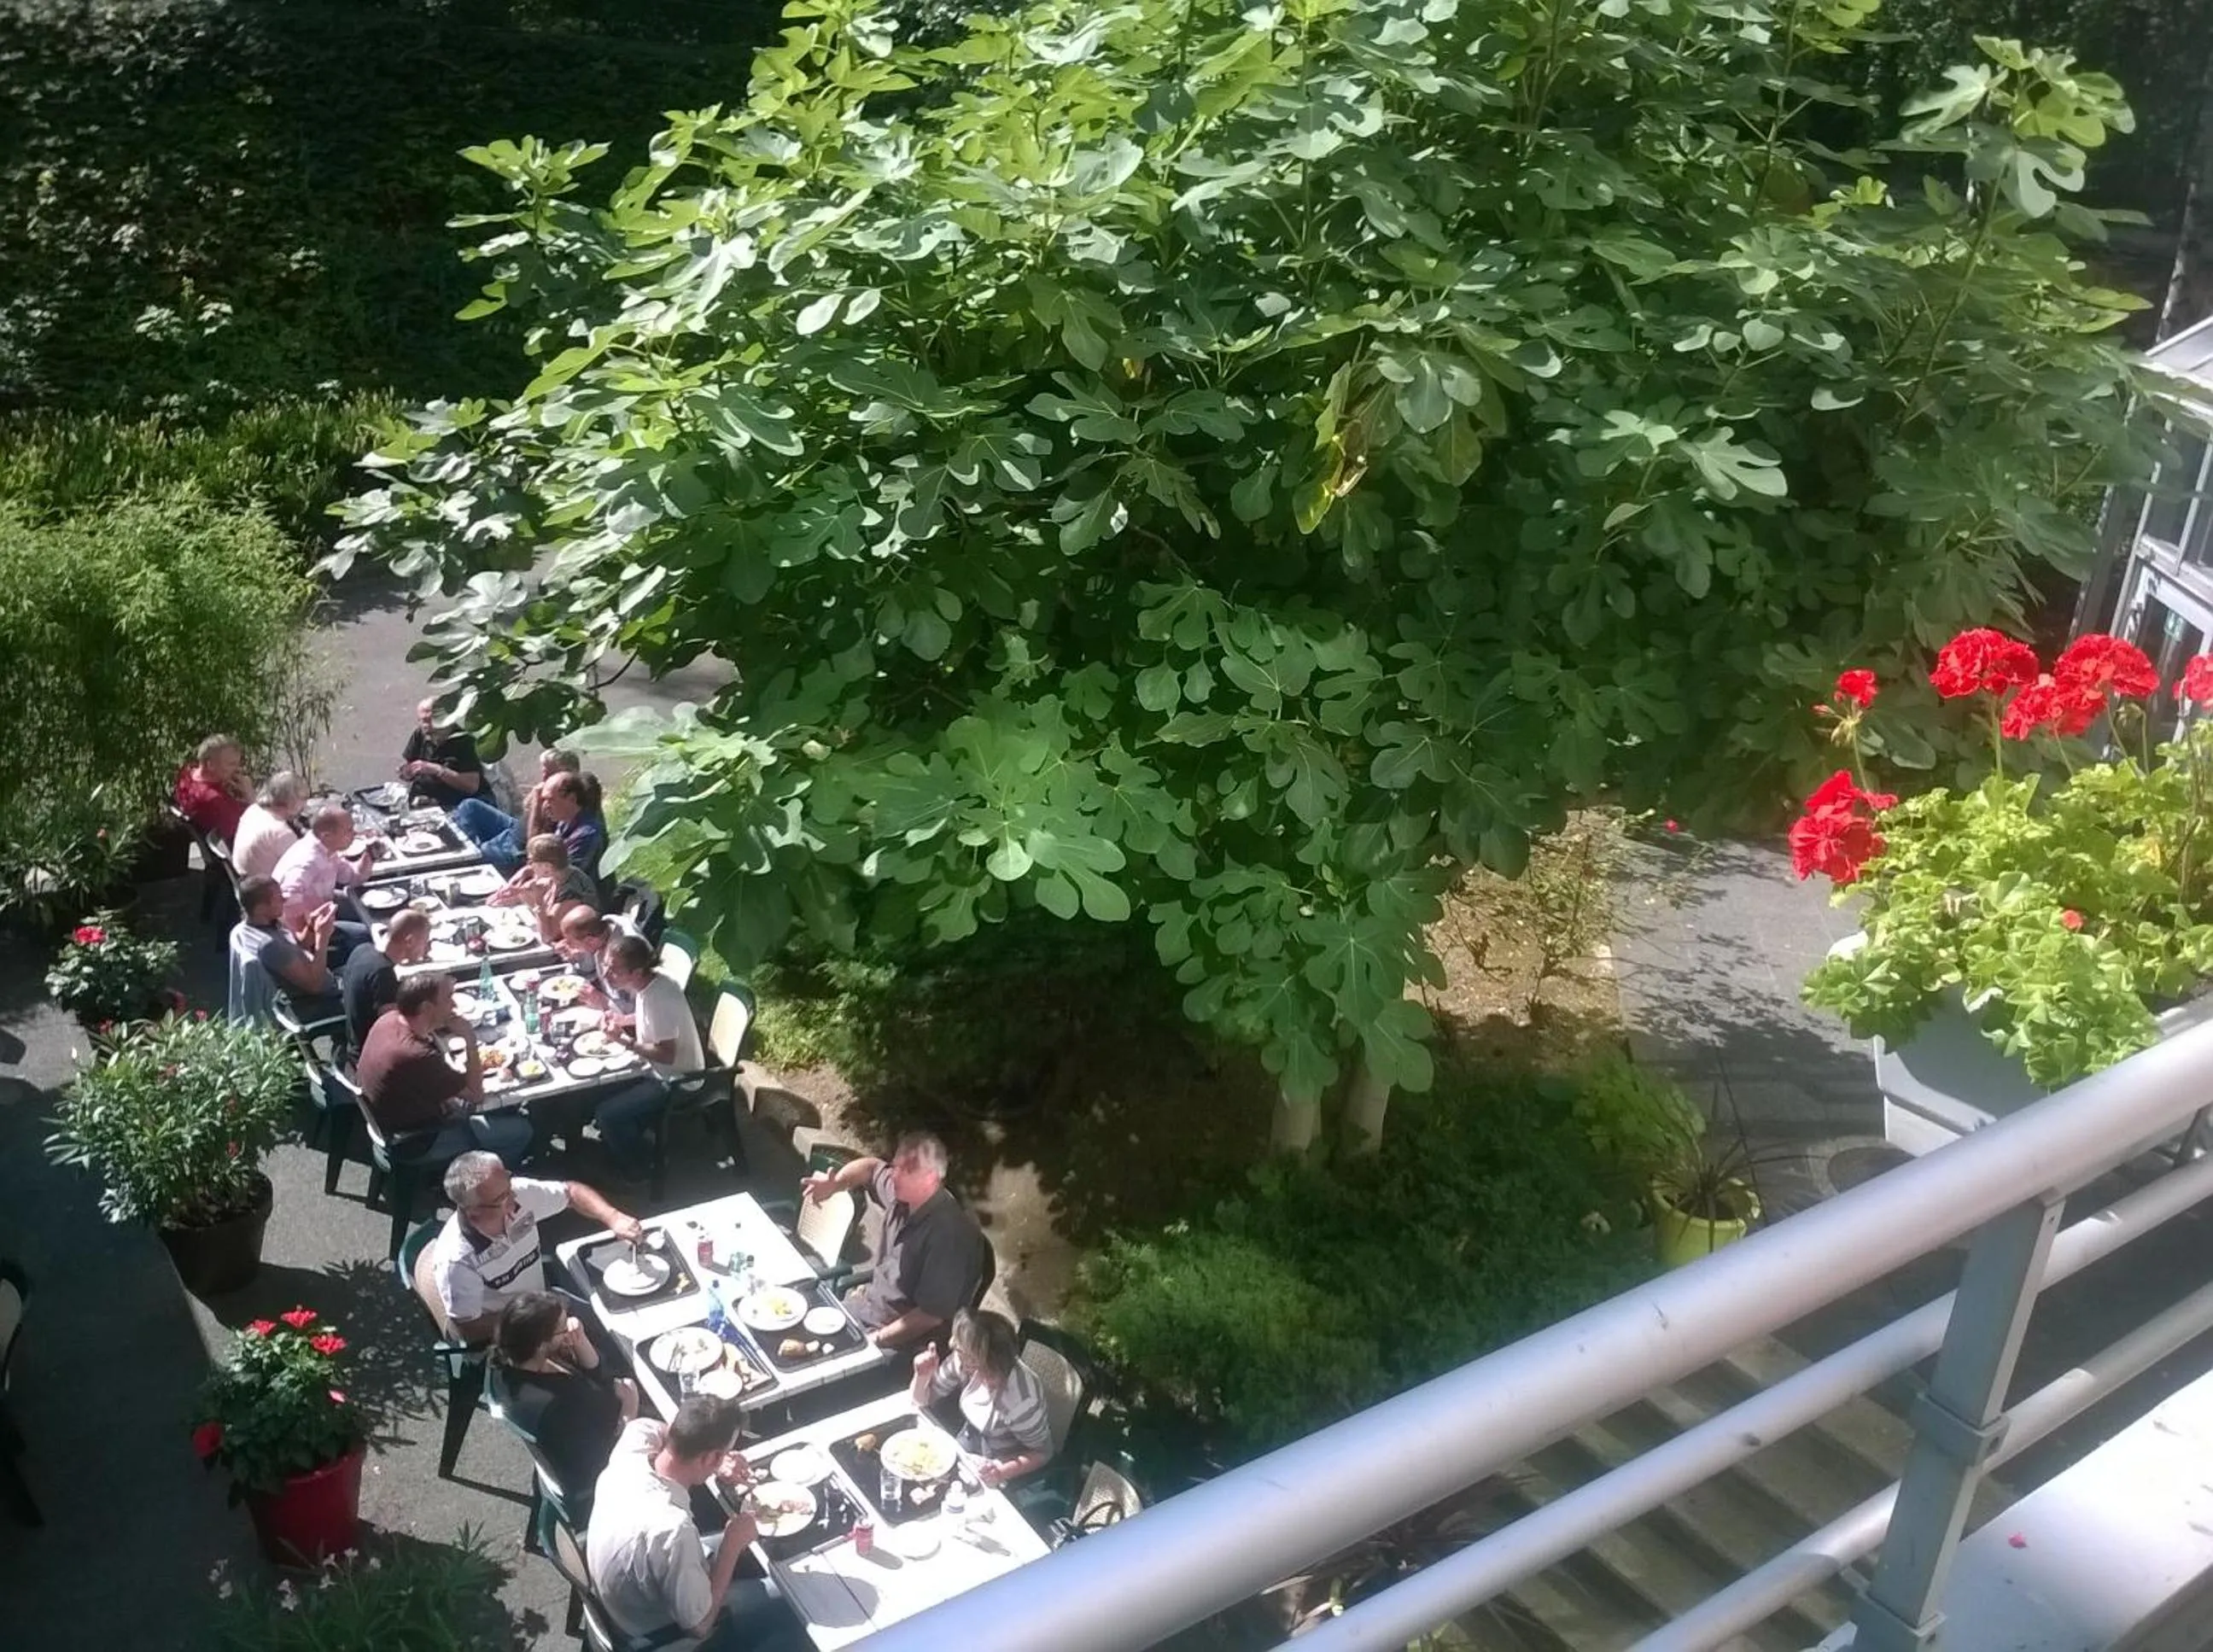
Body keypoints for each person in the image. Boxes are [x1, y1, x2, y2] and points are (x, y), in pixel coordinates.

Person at [587, 1399, 805, 1652]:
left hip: (623, 1589)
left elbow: (669, 1431)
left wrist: (715, 1462)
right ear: (709, 1456)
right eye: (723, 1453)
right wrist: (731, 1547)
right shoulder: (672, 1529)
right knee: (790, 1599)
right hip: (652, 1629)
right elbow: (699, 1625)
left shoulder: (634, 1443)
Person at [428, 1151, 641, 1346]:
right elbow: (466, 1328)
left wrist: (613, 1217)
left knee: (619, 1321)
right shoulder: (457, 1259)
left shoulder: (517, 1193)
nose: (514, 1199)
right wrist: (536, 1316)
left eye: (509, 1186)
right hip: (514, 1334)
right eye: (502, 1198)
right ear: (473, 1213)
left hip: (544, 1299)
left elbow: (571, 1192)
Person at [803, 1131, 987, 1350]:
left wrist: (873, 1341)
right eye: (895, 1166)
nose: (894, 1176)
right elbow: (870, 1168)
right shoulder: (903, 1193)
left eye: (906, 1171)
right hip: (864, 1310)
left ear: (930, 1179)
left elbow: (929, 1317)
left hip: (906, 1344)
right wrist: (837, 1184)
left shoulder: (949, 1236)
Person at [354, 975, 534, 1171]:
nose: (454, 1004)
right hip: (419, 1140)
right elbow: (476, 1095)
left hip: (397, 1118)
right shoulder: (416, 1056)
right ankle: (487, 1186)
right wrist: (469, 1039)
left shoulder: (388, 1020)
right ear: (426, 1008)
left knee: (502, 1111)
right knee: (521, 1131)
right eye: (448, 998)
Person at [492, 1291, 638, 1509]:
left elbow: (599, 1375)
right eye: (562, 1327)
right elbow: (602, 1459)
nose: (569, 1326)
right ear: (541, 1344)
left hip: (600, 1415)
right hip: (602, 1467)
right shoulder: (553, 1406)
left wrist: (581, 1342)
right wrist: (630, 1413)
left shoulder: (510, 1360)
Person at [591, 936, 705, 1182]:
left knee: (608, 1114)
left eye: (614, 969)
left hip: (676, 1079)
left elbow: (667, 1054)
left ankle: (640, 1168)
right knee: (594, 1091)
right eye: (607, 965)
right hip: (653, 1068)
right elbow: (648, 1018)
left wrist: (624, 1041)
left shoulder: (660, 997)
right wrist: (623, 1020)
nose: (607, 973)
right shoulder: (648, 985)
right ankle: (623, 1144)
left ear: (638, 971)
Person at [909, 1308, 1054, 1486]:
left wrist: (1000, 1471)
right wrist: (922, 1376)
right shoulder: (963, 1362)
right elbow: (921, 1403)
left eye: (962, 1348)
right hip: (968, 1444)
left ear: (982, 1359)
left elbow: (1042, 1453)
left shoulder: (1021, 1403)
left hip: (999, 1465)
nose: (951, 1343)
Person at [225, 874, 343, 1027]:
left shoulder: (256, 925)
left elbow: (298, 944)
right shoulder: (269, 946)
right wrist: (323, 938)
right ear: (261, 908)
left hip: (320, 977)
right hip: (319, 999)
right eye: (278, 897)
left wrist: (312, 928)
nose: (285, 899)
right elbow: (315, 985)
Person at [273, 804, 382, 954]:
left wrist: (370, 854)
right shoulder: (307, 862)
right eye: (348, 830)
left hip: (324, 910)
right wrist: (306, 937)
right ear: (327, 835)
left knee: (372, 911)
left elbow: (352, 877)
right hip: (307, 933)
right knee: (368, 935)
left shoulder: (327, 851)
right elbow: (285, 900)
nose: (355, 833)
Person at [453, 771, 603, 877]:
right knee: (469, 807)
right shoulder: (564, 821)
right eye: (544, 800)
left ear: (571, 798)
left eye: (550, 800)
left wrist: (526, 883)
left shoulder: (586, 834)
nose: (546, 805)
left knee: (483, 855)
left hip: (575, 904)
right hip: (524, 852)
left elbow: (563, 878)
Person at [339, 908, 430, 1055]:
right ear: (409, 941)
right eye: (425, 942)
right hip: (367, 1055)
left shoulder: (362, 949)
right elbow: (395, 1030)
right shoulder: (383, 974)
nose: (426, 949)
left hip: (352, 1039)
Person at [489, 833, 600, 939]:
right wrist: (517, 892)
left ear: (547, 866)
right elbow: (534, 888)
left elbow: (548, 936)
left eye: (531, 861)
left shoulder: (571, 893)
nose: (529, 865)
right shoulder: (558, 875)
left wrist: (539, 902)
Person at [400, 697, 487, 809]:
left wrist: (438, 770)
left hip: (456, 803)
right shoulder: (420, 734)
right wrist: (407, 772)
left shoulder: (464, 742)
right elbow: (410, 766)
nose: (425, 726)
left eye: (429, 720)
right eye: (421, 720)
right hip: (424, 800)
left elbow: (472, 786)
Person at [557, 905, 642, 1013]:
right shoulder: (601, 934)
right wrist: (579, 956)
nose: (566, 945)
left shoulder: (628, 952)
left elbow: (638, 1010)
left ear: (590, 941)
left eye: (570, 942)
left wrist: (603, 1002)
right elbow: (589, 971)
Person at [231, 772, 308, 881]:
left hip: (247, 881)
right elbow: (306, 867)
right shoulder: (281, 833)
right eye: (303, 798)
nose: (306, 804)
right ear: (291, 801)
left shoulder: (254, 810)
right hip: (269, 890)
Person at [174, 734, 252, 842]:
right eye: (231, 764)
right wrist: (250, 796)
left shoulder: (187, 775)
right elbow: (249, 828)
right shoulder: (214, 800)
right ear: (210, 765)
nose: (237, 769)